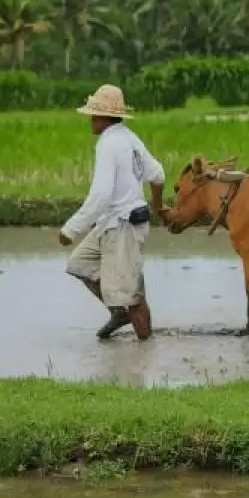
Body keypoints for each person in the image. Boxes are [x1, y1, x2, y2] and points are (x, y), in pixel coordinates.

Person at [59, 84, 166, 341]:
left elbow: (101, 195)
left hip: (124, 226)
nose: (91, 120)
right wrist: (158, 205)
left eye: (94, 115)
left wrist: (70, 229)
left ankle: (145, 350)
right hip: (111, 222)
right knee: (79, 264)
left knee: (132, 294)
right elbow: (158, 175)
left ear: (105, 117)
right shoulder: (130, 138)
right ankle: (118, 313)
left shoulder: (109, 144)